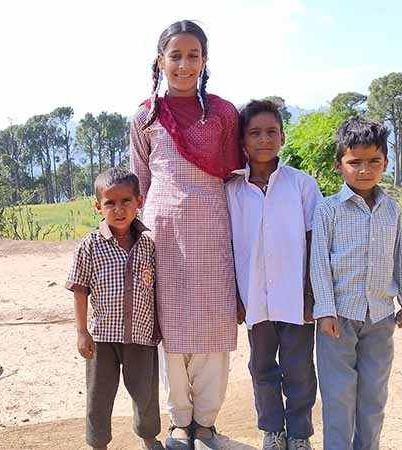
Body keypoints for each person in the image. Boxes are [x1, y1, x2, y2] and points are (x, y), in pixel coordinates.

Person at [129, 19, 246, 450]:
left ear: (205, 60)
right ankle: (180, 422)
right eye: (174, 55)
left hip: (215, 230)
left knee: (215, 327)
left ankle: (207, 423)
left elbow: (236, 176)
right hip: (164, 234)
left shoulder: (223, 114)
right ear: (160, 61)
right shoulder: (146, 115)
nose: (183, 64)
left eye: (192, 55)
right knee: (173, 327)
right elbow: (139, 182)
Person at [311, 118, 402, 450]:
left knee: (374, 396)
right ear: (339, 165)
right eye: (354, 162)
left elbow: (399, 254)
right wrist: (326, 310)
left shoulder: (391, 209)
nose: (364, 169)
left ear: (385, 163)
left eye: (373, 161)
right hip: (338, 320)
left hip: (380, 317)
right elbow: (318, 262)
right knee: (338, 396)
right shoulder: (328, 210)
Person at [225, 99, 322, 450]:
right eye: (254, 133)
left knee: (299, 369)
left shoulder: (302, 185)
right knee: (262, 367)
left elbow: (314, 241)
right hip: (255, 298)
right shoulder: (232, 189)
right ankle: (272, 430)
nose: (263, 140)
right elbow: (229, 246)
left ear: (282, 137)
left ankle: (299, 433)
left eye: (271, 132)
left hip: (295, 298)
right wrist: (235, 296)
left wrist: (312, 295)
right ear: (242, 142)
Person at [65, 167, 164, 450]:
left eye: (126, 201)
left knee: (145, 391)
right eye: (110, 202)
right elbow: (79, 289)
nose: (118, 209)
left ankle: (148, 437)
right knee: (99, 394)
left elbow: (157, 288)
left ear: (139, 202)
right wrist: (82, 332)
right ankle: (98, 443)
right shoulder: (90, 245)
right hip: (102, 337)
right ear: (98, 207)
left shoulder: (148, 244)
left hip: (141, 334)